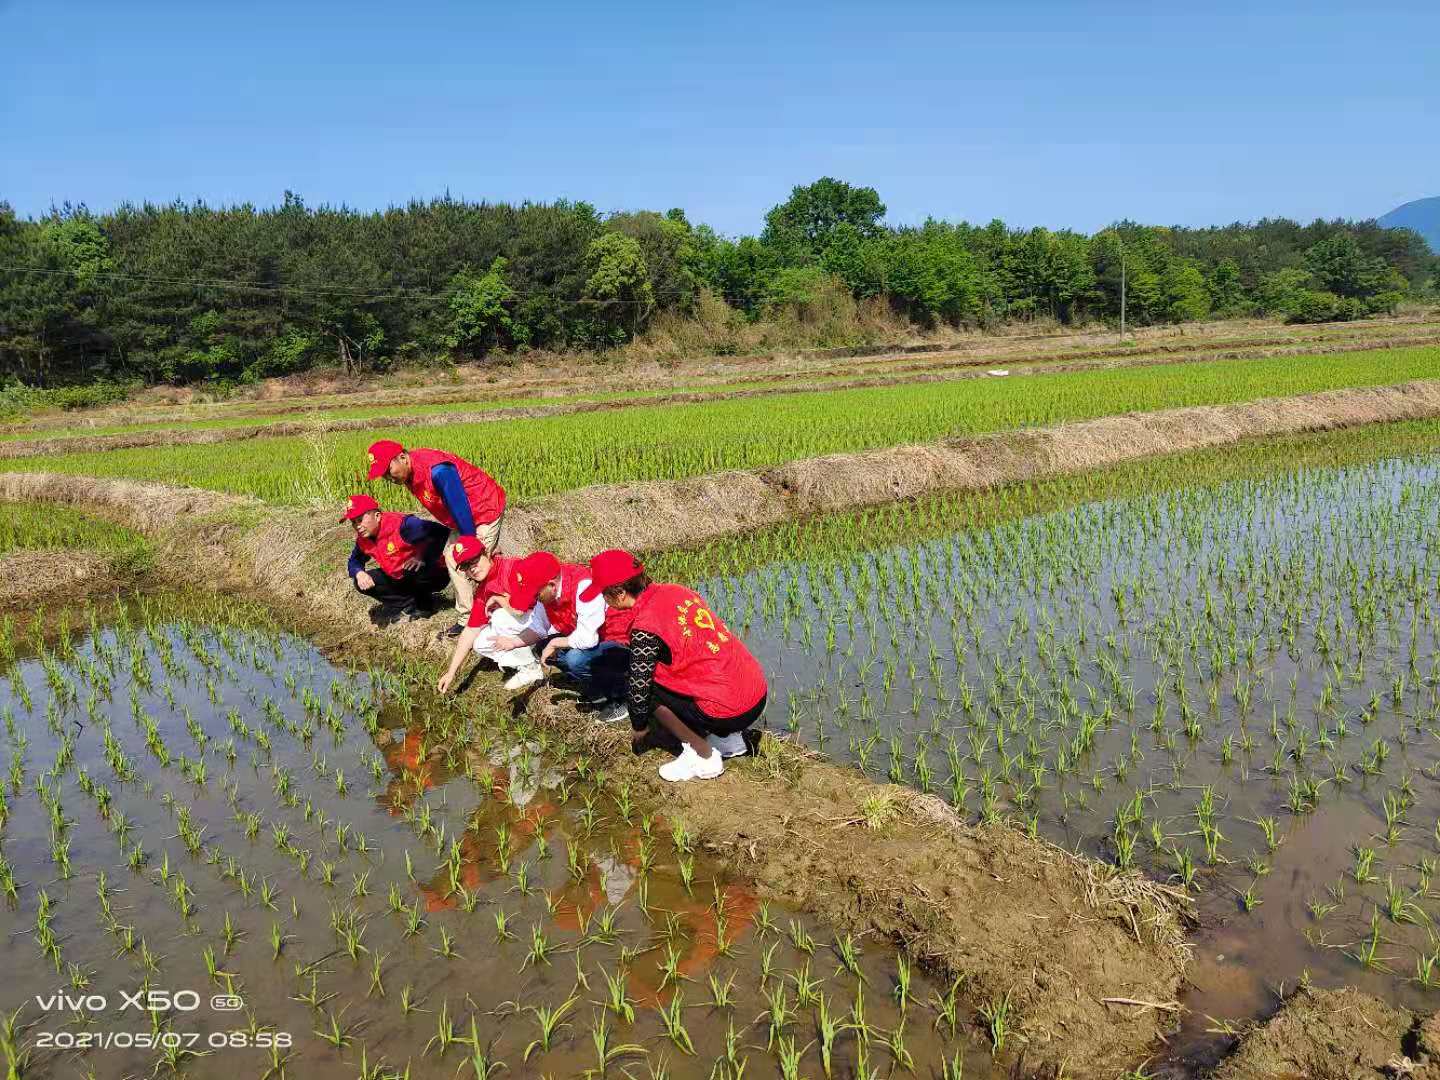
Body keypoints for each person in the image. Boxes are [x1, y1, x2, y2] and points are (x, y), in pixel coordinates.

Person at [580, 549, 767, 782]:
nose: (603, 601)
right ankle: (730, 740)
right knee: (700, 661)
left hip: (727, 709)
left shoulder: (646, 626)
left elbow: (639, 688)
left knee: (640, 683)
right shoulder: (676, 591)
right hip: (755, 694)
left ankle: (703, 755)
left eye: (603, 595)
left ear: (619, 593)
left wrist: (639, 728)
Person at [366, 440, 505, 638]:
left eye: (388, 471)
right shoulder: (408, 472)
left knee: (471, 561)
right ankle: (468, 618)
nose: (388, 478)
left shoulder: (438, 471)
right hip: (464, 517)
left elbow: (460, 508)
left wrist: (470, 544)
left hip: (484, 509)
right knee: (451, 556)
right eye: (384, 476)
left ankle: (498, 612)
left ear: (403, 458)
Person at [507, 550, 633, 724]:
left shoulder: (583, 585)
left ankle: (624, 695)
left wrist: (556, 642)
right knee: (543, 646)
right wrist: (512, 643)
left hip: (621, 642)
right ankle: (599, 690)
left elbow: (588, 639)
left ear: (551, 585)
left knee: (575, 659)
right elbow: (538, 629)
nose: (534, 600)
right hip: (596, 641)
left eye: (536, 595)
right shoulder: (547, 595)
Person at [435, 537, 550, 695]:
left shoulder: (512, 568)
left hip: (547, 622)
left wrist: (498, 599)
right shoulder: (482, 592)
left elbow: (521, 610)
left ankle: (532, 667)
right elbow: (470, 631)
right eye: (466, 566)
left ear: (486, 553)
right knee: (480, 642)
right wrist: (451, 672)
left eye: (474, 560)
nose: (472, 569)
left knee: (499, 618)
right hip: (524, 628)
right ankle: (526, 661)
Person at [341, 494, 450, 620]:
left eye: (360, 520)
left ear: (377, 516)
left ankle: (425, 607)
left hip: (434, 573)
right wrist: (359, 573)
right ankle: (407, 603)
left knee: (411, 568)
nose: (357, 526)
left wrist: (422, 557)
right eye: (353, 522)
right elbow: (354, 561)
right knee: (359, 581)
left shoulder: (403, 525)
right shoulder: (363, 539)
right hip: (400, 577)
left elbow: (442, 533)